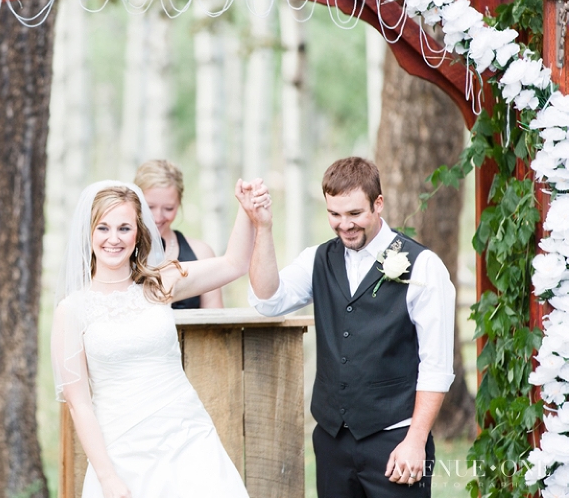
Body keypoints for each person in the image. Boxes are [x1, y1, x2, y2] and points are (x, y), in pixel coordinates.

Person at [243, 157, 455, 498]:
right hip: (332, 442)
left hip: (396, 439)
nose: (344, 225)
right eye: (335, 214)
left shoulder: (424, 266)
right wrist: (263, 228)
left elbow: (437, 366)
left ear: (378, 204)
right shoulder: (317, 259)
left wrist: (415, 440)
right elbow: (268, 300)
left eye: (355, 213)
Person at [51, 179, 269, 498]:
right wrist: (107, 477)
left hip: (188, 437)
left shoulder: (160, 283)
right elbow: (79, 403)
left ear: (138, 233)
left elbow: (233, 264)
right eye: (103, 228)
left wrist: (245, 209)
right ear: (89, 233)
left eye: (124, 228)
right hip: (122, 449)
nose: (114, 238)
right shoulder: (72, 310)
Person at [134, 160, 223, 309]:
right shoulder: (120, 251)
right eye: (149, 207)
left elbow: (216, 315)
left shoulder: (201, 253)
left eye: (168, 208)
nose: (157, 217)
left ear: (179, 203)